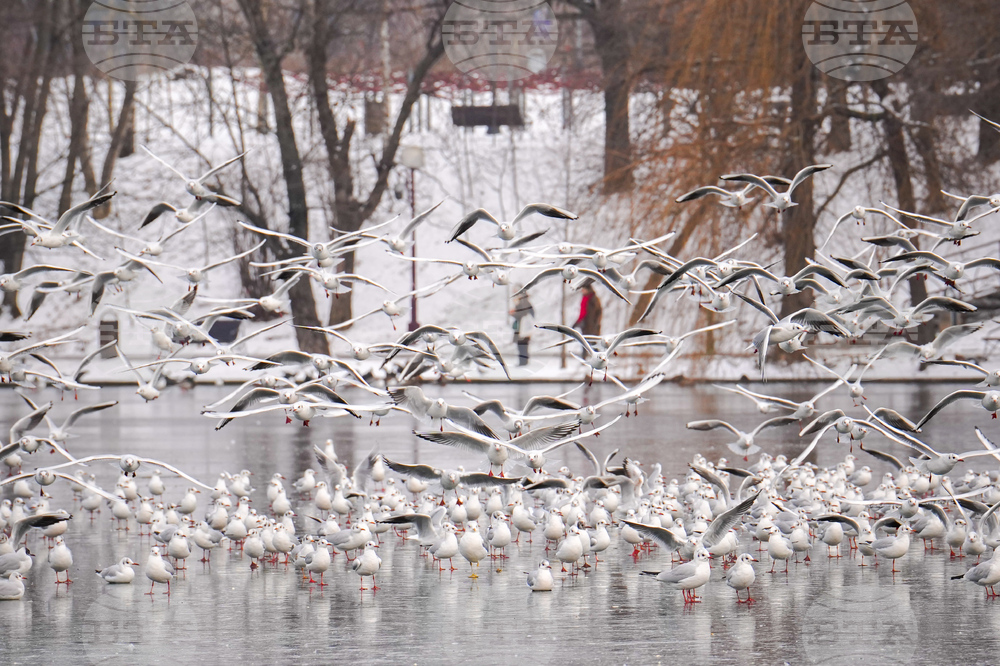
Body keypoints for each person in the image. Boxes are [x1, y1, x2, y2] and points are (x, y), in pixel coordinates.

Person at [510, 292, 535, 366]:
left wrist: (514, 314)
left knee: (522, 346)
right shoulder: (527, 303)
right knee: (523, 346)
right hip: (524, 329)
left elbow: (522, 314)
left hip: (522, 329)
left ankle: (523, 362)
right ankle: (524, 361)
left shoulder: (523, 304)